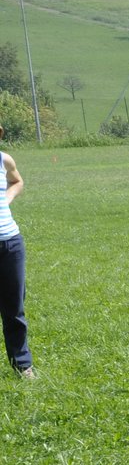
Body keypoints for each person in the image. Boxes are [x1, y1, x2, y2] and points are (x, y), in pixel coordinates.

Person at [0, 124, 34, 379]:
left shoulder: (4, 159)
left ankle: (23, 366)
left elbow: (17, 180)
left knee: (14, 310)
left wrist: (8, 198)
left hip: (10, 243)